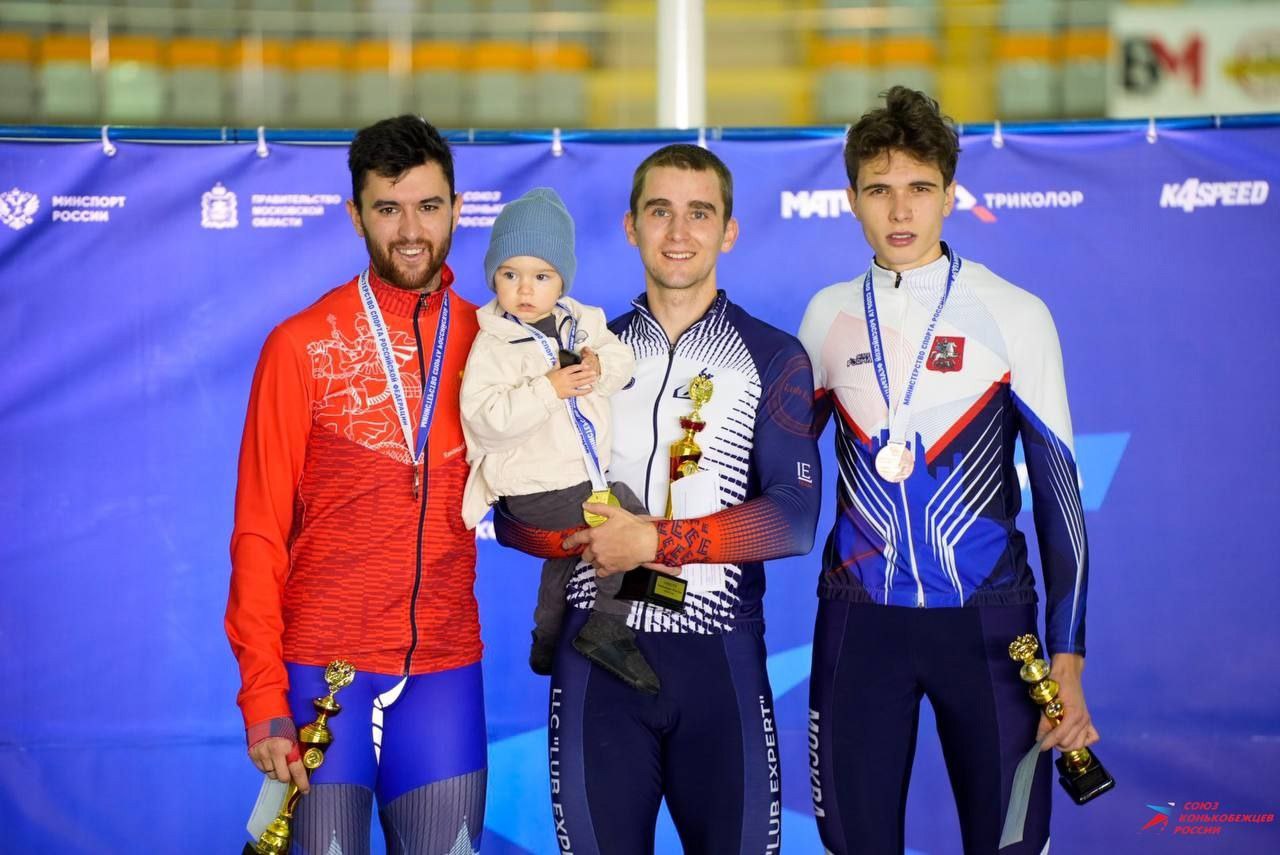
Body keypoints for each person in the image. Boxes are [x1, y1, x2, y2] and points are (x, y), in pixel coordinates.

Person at [495, 144, 822, 854]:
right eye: (660, 211)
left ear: (728, 231)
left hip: (719, 658)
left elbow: (794, 521)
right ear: (630, 226)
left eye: (699, 213)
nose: (679, 231)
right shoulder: (583, 355)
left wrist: (654, 542)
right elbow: (511, 516)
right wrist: (565, 535)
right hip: (598, 657)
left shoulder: (771, 355)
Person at [798, 86, 1099, 854]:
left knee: (1009, 843)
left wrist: (1067, 660)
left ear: (950, 194)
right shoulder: (826, 314)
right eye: (880, 190)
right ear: (852, 200)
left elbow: (1062, 503)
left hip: (991, 624)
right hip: (859, 618)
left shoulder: (1013, 312)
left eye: (920, 188)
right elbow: (783, 471)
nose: (900, 210)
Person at [225, 115, 486, 854]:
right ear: (355, 215)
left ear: (457, 209)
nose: (411, 229)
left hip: (444, 671)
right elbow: (257, 533)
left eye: (429, 206)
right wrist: (264, 699)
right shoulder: (300, 344)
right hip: (318, 673)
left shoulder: (493, 343)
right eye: (388, 207)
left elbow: (535, 497)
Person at [459, 186, 660, 693]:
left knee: (569, 553)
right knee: (632, 520)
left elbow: (621, 362)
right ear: (494, 278)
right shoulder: (493, 343)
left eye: (542, 276)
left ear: (562, 280)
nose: (525, 288)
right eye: (510, 275)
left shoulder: (583, 321)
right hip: (534, 486)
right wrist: (547, 390)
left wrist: (599, 365)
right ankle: (608, 628)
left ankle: (546, 638)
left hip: (577, 474)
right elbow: (485, 418)